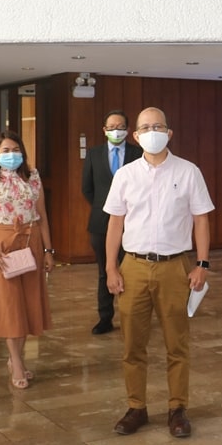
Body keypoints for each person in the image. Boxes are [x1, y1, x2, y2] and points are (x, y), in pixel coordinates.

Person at [104, 107, 214, 438]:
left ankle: (177, 408)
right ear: (136, 136)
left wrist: (202, 263)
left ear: (169, 133)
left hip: (175, 267)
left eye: (159, 126)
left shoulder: (189, 171)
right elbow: (115, 222)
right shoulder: (125, 175)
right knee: (132, 345)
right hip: (133, 266)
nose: (153, 131)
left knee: (176, 343)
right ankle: (136, 407)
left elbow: (201, 219)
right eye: (146, 127)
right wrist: (111, 266)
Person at [0, 130, 55, 390]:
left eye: (15, 150)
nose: (11, 155)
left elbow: (41, 215)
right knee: (10, 305)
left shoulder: (33, 178)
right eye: (5, 151)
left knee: (27, 304)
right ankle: (17, 362)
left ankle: (15, 356)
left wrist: (48, 251)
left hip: (31, 241)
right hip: (2, 243)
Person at [81, 109, 142, 335]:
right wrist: (105, 208)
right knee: (105, 271)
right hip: (100, 222)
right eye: (111, 127)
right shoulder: (94, 154)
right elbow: (87, 188)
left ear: (127, 129)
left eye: (120, 126)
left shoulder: (138, 153)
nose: (116, 130)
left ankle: (132, 317)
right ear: (104, 130)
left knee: (131, 272)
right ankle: (105, 318)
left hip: (133, 223)